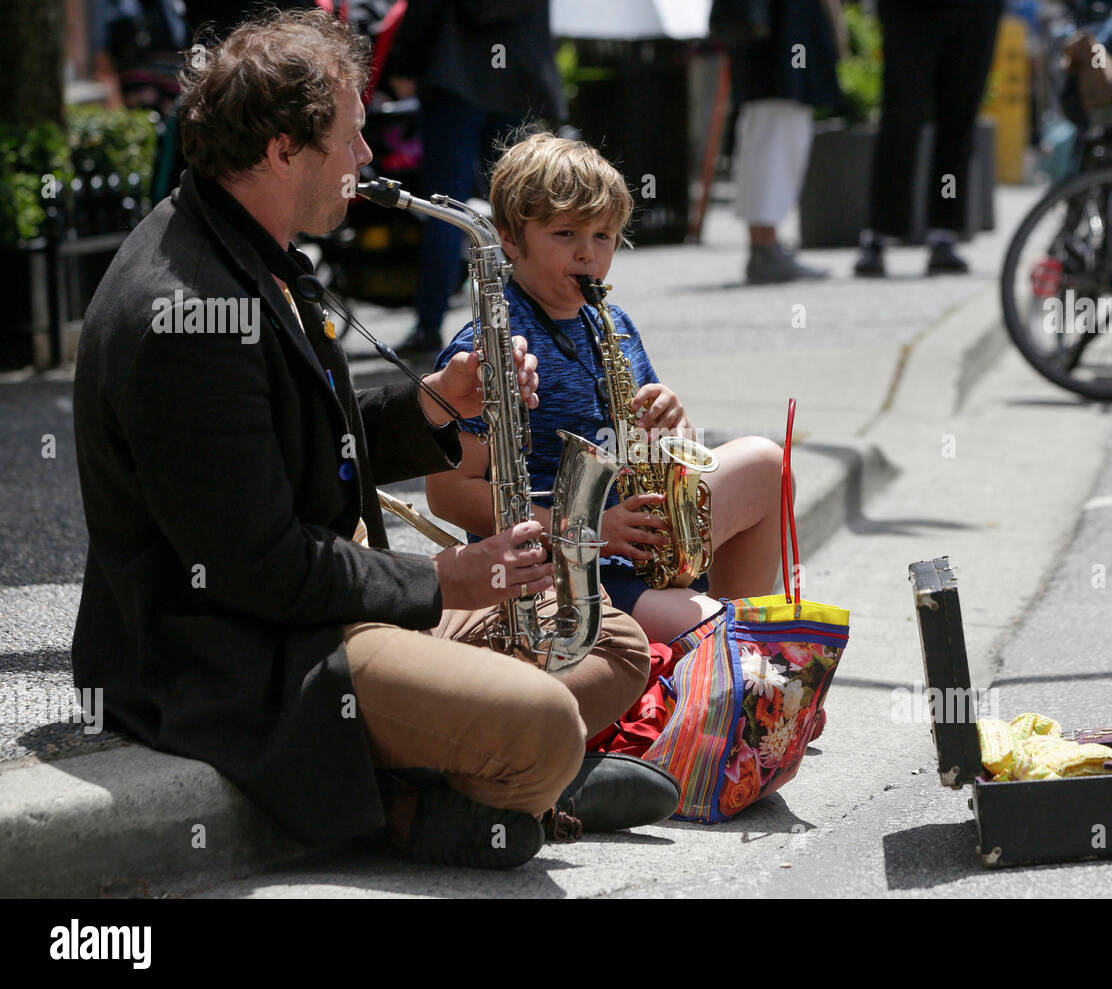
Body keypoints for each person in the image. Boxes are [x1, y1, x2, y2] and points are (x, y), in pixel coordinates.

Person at [71, 9, 676, 873]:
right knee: (544, 722)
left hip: (318, 600)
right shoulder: (188, 318)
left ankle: (499, 777)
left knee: (610, 641)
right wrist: (441, 580)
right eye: (352, 139)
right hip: (243, 653)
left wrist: (434, 403)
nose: (367, 159)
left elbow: (300, 434)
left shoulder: (243, 241)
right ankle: (457, 789)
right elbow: (259, 568)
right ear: (284, 150)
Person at [429, 132, 787, 646]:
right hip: (565, 570)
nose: (587, 255)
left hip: (635, 537)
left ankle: (722, 655)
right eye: (565, 234)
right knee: (727, 633)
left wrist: (672, 423)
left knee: (763, 461)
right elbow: (449, 493)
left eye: (603, 237)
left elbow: (652, 449)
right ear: (509, 238)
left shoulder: (612, 323)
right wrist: (585, 530)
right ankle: (720, 651)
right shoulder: (491, 350)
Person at [385, 0, 563, 355]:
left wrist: (404, 62)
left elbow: (424, 9)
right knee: (524, 205)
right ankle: (546, 318)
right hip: (516, 70)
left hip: (456, 72)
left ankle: (429, 324)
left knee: (445, 207)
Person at [856, 0, 1004, 278]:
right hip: (911, 11)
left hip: (974, 11)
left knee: (959, 119)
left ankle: (943, 234)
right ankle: (880, 232)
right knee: (901, 115)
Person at [717, 0, 845, 284]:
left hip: (776, 30)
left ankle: (766, 244)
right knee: (775, 127)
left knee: (774, 127)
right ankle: (765, 244)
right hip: (781, 28)